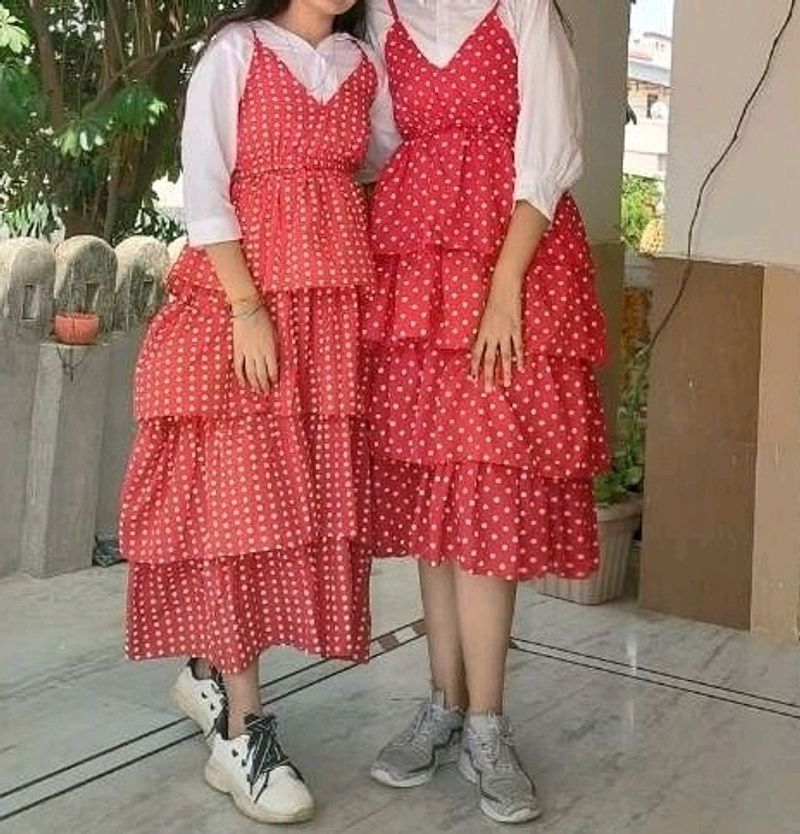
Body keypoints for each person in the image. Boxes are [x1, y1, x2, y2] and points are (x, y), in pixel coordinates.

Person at [119, 0, 393, 822]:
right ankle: (244, 729)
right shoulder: (235, 51)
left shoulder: (363, 64)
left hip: (332, 319)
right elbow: (205, 186)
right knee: (238, 511)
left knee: (286, 513)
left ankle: (207, 674)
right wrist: (246, 307)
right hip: (248, 309)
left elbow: (377, 167)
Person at [363, 0, 609, 823]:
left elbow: (552, 151)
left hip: (512, 268)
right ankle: (442, 704)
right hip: (416, 270)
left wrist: (504, 292)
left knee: (487, 500)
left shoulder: (525, 9)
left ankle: (488, 725)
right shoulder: (383, 16)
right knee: (436, 499)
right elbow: (380, 145)